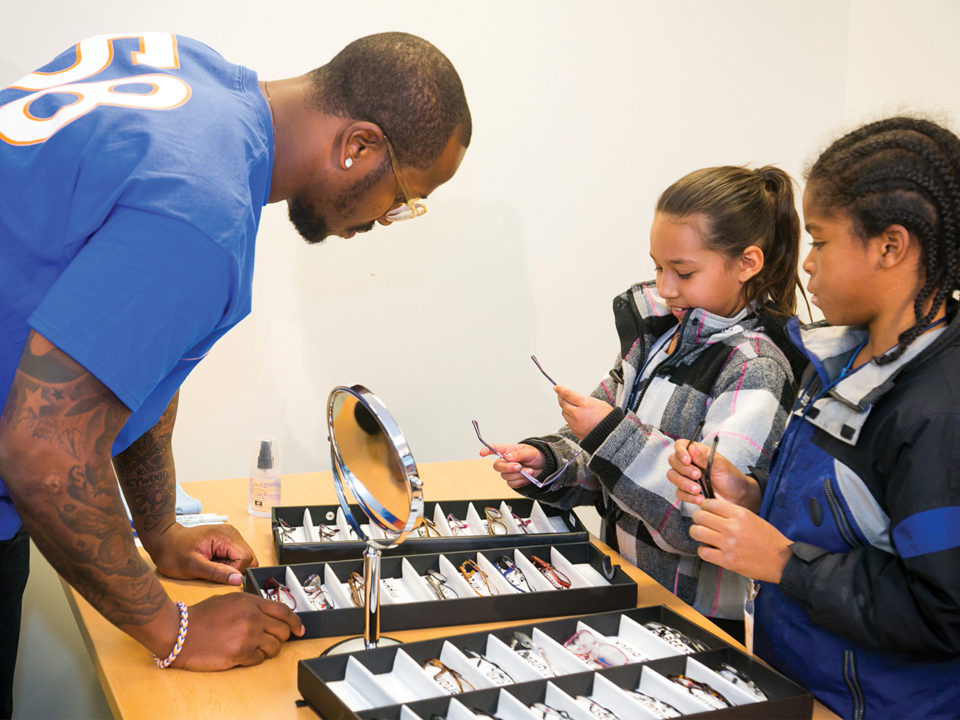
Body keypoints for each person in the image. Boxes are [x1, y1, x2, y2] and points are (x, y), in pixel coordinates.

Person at [0, 29, 471, 711]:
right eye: (403, 195)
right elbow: (45, 449)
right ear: (358, 147)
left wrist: (158, 529)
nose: (390, 219)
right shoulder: (200, 210)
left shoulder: (188, 74)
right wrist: (173, 629)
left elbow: (128, 361)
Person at [667, 117, 960, 719]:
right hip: (797, 681)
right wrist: (750, 497)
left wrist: (781, 563)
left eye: (822, 243)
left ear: (891, 246)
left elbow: (944, 612)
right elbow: (849, 520)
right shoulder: (839, 358)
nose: (806, 265)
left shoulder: (940, 412)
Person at [480, 165, 806, 639]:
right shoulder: (655, 338)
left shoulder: (755, 368)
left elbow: (701, 521)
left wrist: (610, 433)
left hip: (698, 622)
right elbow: (601, 464)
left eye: (684, 271)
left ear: (747, 263)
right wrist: (547, 461)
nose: (665, 287)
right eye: (657, 266)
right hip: (634, 591)